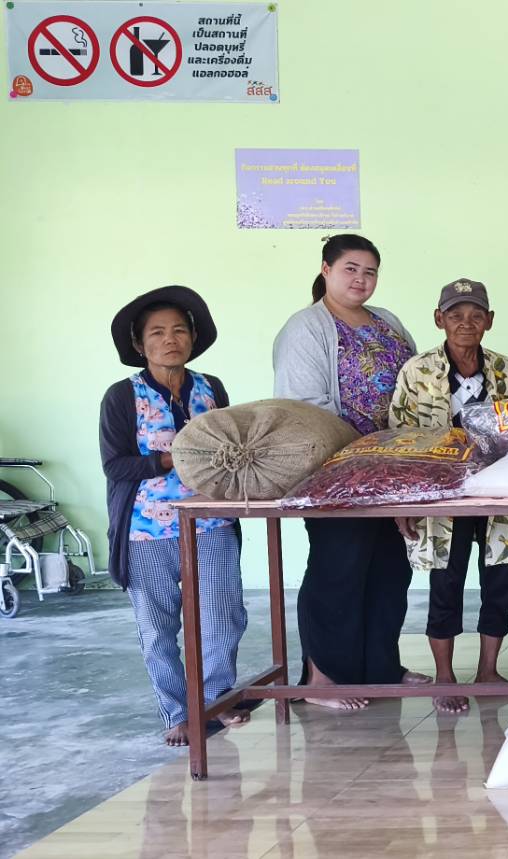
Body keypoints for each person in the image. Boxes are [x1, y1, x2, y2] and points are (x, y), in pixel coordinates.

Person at [272, 233, 421, 710]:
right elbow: (304, 408)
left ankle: (379, 668)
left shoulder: (388, 322)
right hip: (336, 471)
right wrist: (355, 455)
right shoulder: (306, 328)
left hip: (391, 469)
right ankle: (321, 677)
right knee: (339, 567)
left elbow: (417, 385)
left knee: (389, 569)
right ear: (326, 269)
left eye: (370, 271)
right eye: (350, 268)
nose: (361, 279)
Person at [101, 286, 248, 745]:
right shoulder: (122, 397)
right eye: (158, 333)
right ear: (140, 345)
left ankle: (215, 701)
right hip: (147, 530)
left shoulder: (211, 388)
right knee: (158, 627)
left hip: (210, 522)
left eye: (179, 330)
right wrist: (171, 459)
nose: (171, 340)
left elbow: (230, 448)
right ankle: (178, 714)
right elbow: (115, 465)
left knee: (223, 615)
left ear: (192, 337)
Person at [388, 279, 508, 715]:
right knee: (445, 583)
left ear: (489, 321)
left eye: (475, 315)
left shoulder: (506, 371)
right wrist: (404, 503)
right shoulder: (417, 370)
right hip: (441, 495)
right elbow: (399, 438)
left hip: (497, 493)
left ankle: (488, 671)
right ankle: (445, 677)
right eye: (455, 315)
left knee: (499, 581)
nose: (466, 323)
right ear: (439, 319)